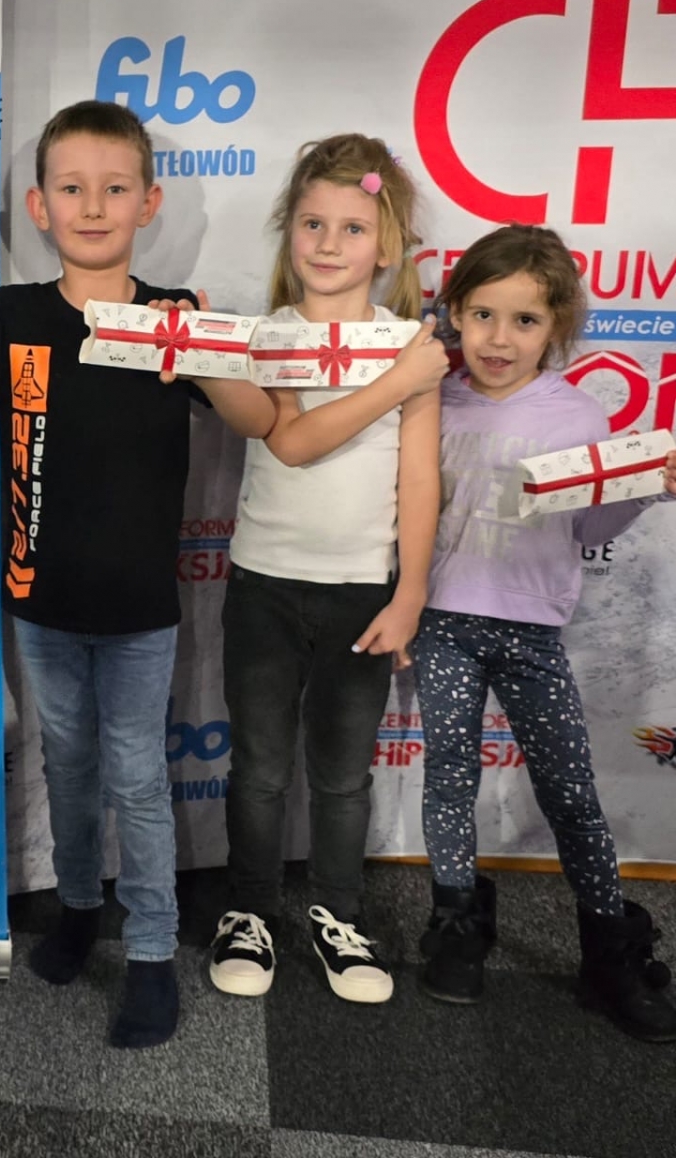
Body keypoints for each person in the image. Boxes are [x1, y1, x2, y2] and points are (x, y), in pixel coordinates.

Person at [0, 101, 273, 1048]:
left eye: (114, 188)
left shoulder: (174, 316)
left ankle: (151, 951)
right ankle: (76, 908)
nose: (93, 206)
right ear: (40, 206)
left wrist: (197, 346)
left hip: (140, 607)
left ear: (148, 202)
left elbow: (261, 419)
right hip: (40, 598)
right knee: (67, 763)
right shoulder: (17, 315)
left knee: (137, 778)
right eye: (71, 188)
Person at [416, 223, 676, 1041]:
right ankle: (458, 922)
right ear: (454, 313)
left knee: (570, 793)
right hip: (443, 622)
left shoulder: (578, 414)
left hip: (533, 631)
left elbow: (588, 528)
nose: (499, 339)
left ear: (557, 327)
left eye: (525, 321)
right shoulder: (431, 398)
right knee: (449, 776)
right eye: (483, 315)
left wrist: (646, 488)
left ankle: (610, 951)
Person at [203, 136, 447, 1005]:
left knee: (343, 776)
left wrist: (410, 591)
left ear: (386, 245)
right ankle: (250, 911)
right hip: (263, 587)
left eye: (352, 227)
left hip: (362, 594)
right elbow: (292, 441)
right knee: (260, 768)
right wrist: (398, 380)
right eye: (312, 223)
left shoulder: (410, 344)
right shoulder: (268, 336)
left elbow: (420, 478)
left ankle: (340, 915)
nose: (329, 242)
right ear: (289, 232)